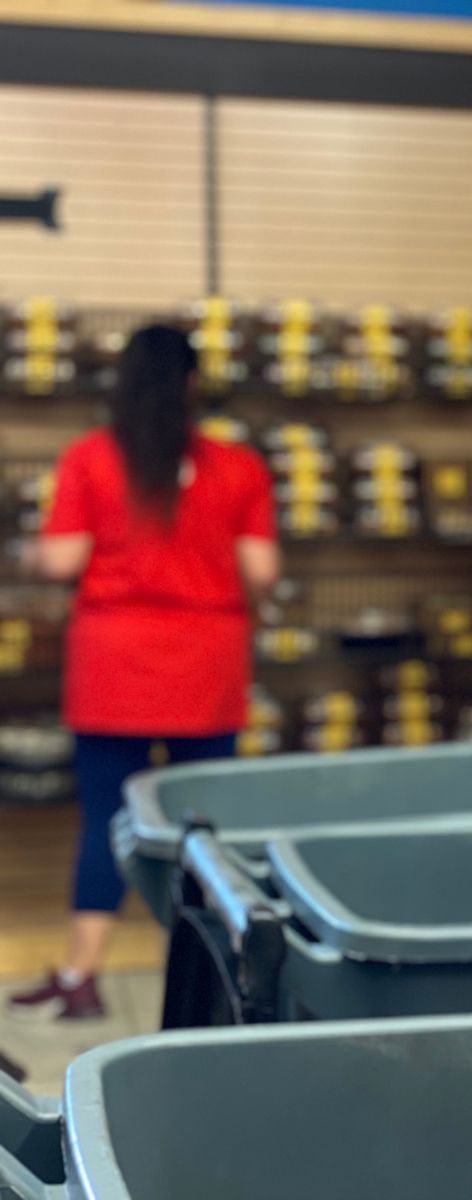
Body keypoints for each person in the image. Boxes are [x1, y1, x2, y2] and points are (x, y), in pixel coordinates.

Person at [7, 325, 278, 1021]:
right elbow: (262, 573)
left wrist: (32, 559)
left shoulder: (89, 460)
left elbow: (63, 560)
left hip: (113, 667)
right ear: (192, 384)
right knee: (208, 827)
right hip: (206, 667)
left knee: (105, 818)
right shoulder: (237, 465)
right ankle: (220, 972)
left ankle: (81, 975)